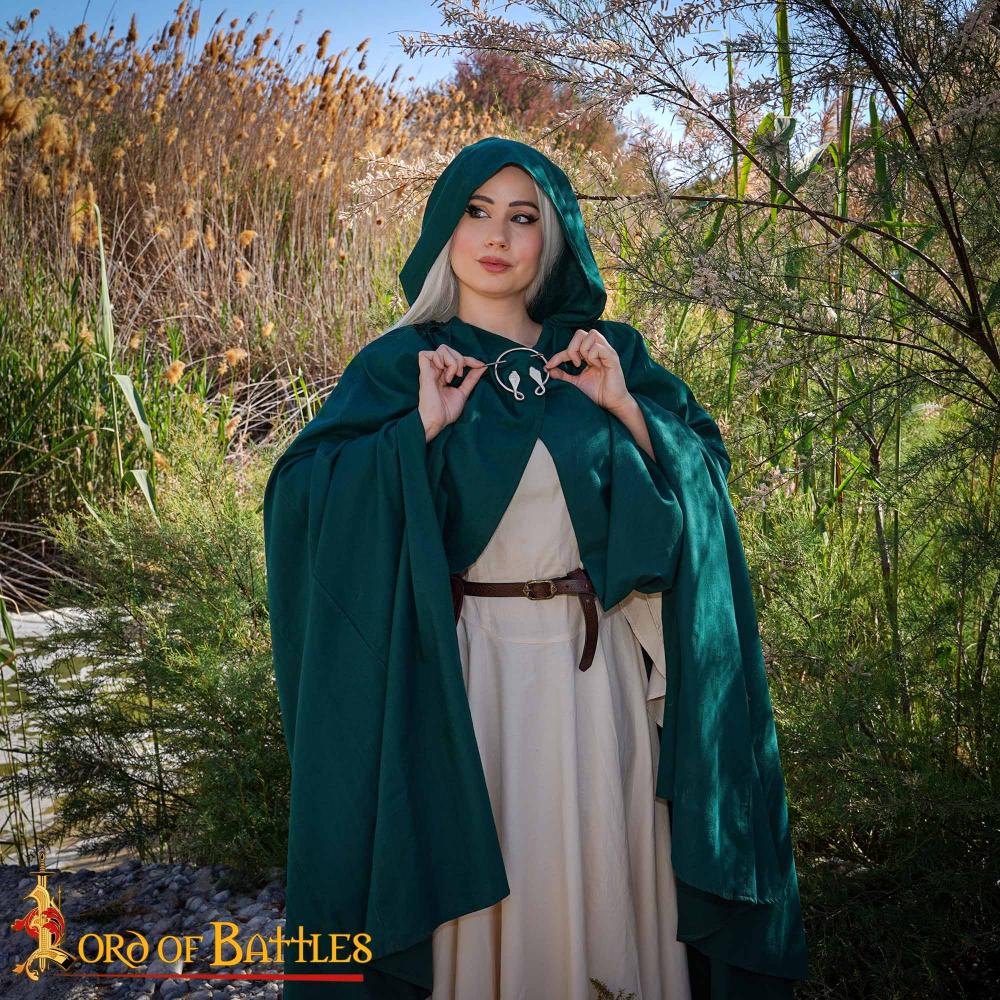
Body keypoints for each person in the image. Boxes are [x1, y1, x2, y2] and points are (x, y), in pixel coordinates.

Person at [263, 136, 808, 1000]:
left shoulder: (604, 353)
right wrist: (418, 430)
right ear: (444, 229)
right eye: (477, 211)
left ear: (552, 239)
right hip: (467, 683)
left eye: (523, 217)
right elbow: (300, 500)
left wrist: (624, 407)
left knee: (601, 875)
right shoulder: (401, 366)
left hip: (598, 682)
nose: (498, 236)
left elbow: (703, 477)